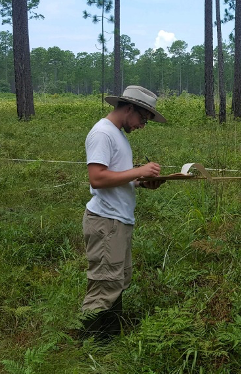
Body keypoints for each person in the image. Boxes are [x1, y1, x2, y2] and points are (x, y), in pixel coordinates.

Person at [81, 85, 166, 342]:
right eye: (143, 119)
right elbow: (96, 178)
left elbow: (115, 176)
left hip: (118, 221)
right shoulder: (102, 133)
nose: (142, 125)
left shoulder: (117, 135)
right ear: (129, 108)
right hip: (106, 221)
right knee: (105, 282)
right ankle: (92, 343)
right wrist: (139, 171)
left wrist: (139, 181)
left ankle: (110, 336)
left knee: (117, 279)